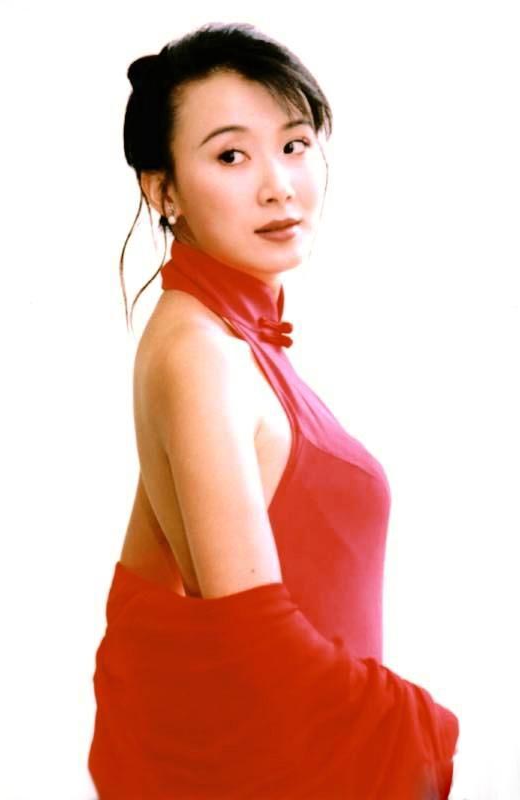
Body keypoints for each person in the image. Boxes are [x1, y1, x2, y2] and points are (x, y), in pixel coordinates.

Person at [88, 22, 459, 799]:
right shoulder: (198, 351)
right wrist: (428, 740)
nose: (278, 184)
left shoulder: (231, 337)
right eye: (231, 156)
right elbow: (252, 642)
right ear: (161, 190)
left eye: (293, 144)